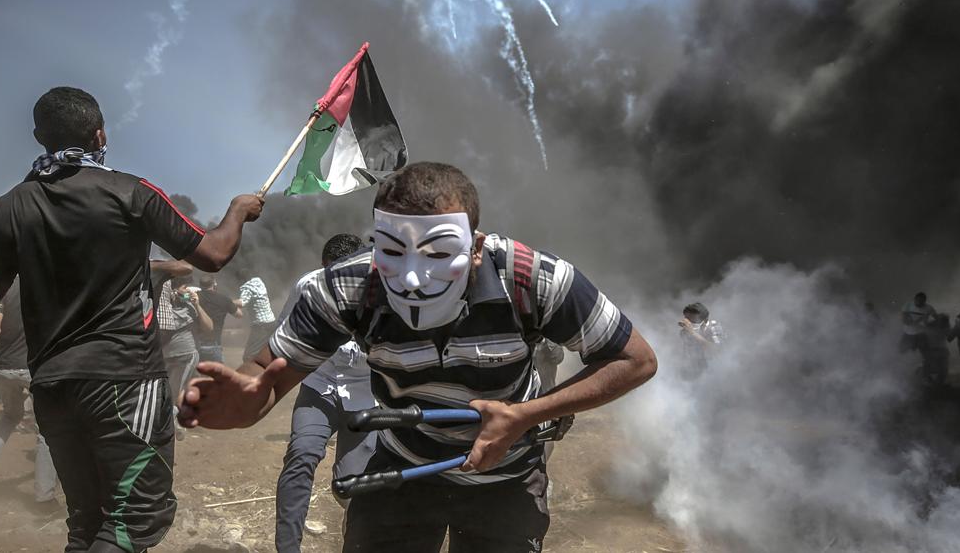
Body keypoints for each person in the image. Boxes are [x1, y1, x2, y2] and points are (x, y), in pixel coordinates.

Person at [180, 162, 658, 553]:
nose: (410, 278)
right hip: (402, 465)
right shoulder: (349, 286)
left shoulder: (533, 279)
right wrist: (246, 397)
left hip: (507, 474)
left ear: (475, 247)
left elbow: (634, 359)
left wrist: (525, 416)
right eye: (392, 250)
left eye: (437, 252)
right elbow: (266, 373)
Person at [0, 86, 264, 553]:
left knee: (86, 520)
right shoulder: (130, 192)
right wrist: (237, 211)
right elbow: (212, 254)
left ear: (39, 138)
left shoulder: (3, 211)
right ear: (100, 134)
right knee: (133, 521)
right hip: (126, 380)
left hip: (52, 385)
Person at [275, 233, 377, 553]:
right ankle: (288, 547)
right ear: (324, 268)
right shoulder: (308, 287)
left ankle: (356, 535)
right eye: (336, 274)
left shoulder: (383, 293)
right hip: (320, 386)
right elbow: (287, 333)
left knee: (352, 486)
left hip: (366, 395)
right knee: (301, 455)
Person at [0, 280, 58, 511]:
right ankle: (44, 497)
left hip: (4, 367)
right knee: (48, 430)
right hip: (36, 368)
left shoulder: (7, 289)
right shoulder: (51, 286)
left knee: (8, 417)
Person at [157, 275, 212, 416]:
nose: (188, 290)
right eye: (184, 287)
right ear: (173, 288)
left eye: (188, 287)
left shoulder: (190, 305)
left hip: (185, 356)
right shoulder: (161, 305)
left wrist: (197, 304)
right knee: (171, 393)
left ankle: (174, 426)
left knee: (173, 395)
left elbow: (209, 327)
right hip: (165, 357)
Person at [196, 275, 241, 364]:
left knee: (196, 376)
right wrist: (229, 303)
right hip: (213, 345)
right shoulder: (223, 299)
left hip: (195, 345)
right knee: (217, 375)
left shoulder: (194, 297)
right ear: (214, 284)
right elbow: (239, 314)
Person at [239, 269, 277, 362]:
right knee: (267, 353)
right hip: (271, 323)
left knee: (248, 356)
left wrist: (227, 302)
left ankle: (250, 374)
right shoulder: (258, 281)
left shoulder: (248, 287)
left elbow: (241, 303)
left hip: (261, 326)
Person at [899, 292, 936, 376]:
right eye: (918, 301)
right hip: (908, 334)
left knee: (927, 356)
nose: (919, 303)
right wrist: (921, 319)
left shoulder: (929, 308)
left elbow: (936, 318)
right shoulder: (907, 305)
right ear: (914, 299)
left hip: (921, 335)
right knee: (901, 353)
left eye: (922, 301)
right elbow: (906, 321)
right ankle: (901, 373)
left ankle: (925, 375)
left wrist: (929, 324)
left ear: (925, 301)